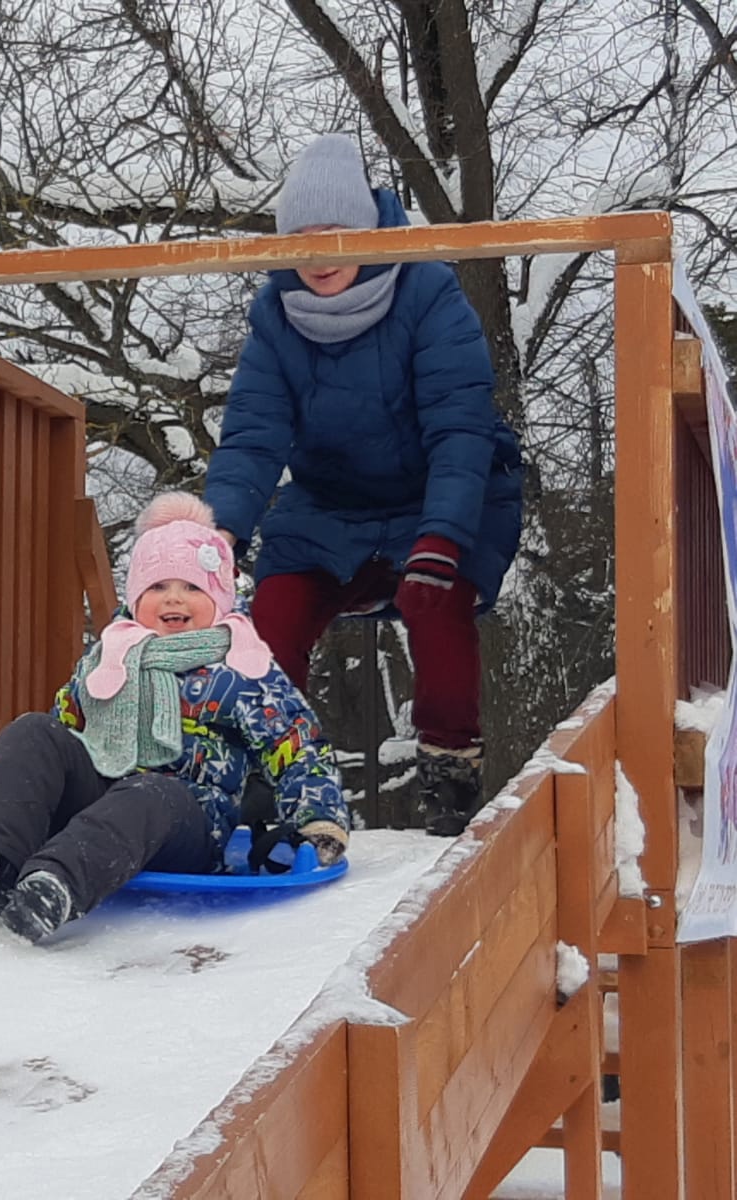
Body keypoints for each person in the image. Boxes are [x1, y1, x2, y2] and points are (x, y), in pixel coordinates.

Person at [203, 133, 523, 837]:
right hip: (330, 503)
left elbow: (458, 427)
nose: (319, 257)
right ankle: (274, 769)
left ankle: (449, 770)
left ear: (369, 230)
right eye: (303, 242)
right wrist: (219, 531)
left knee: (430, 594)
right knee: (272, 613)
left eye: (336, 235)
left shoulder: (427, 293)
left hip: (441, 492)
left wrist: (441, 533)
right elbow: (254, 435)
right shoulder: (273, 319)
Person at [0, 492, 349, 944]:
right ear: (136, 597)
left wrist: (319, 819)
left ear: (220, 597)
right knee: (33, 730)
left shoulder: (242, 667)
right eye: (157, 587)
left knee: (151, 790)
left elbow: (296, 744)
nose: (175, 598)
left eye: (193, 587)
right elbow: (67, 730)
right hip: (104, 795)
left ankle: (56, 884)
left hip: (188, 819)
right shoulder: (111, 654)